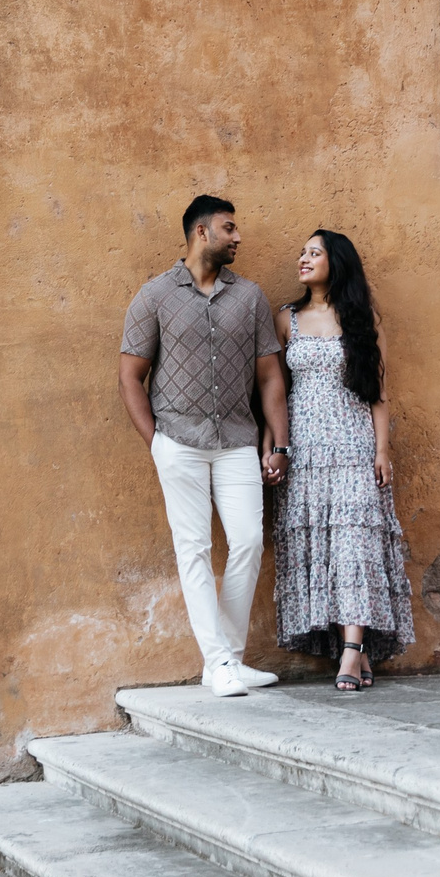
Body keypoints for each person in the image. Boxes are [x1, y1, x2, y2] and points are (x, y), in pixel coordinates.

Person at [119, 195, 292, 697]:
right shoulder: (153, 296)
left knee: (248, 542)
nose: (238, 237)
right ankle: (218, 662)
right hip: (178, 441)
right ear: (201, 232)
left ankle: (228, 661)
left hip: (237, 439)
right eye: (229, 228)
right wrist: (158, 444)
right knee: (192, 550)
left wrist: (279, 443)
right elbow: (130, 377)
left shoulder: (251, 297)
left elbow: (270, 379)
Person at [272, 229, 414, 690]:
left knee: (355, 545)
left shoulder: (361, 317)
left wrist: (381, 449)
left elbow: (378, 392)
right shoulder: (285, 319)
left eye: (314, 252)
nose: (303, 258)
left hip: (353, 446)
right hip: (307, 450)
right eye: (302, 252)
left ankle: (351, 650)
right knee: (324, 548)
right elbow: (273, 390)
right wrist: (276, 445)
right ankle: (357, 649)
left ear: (337, 261)